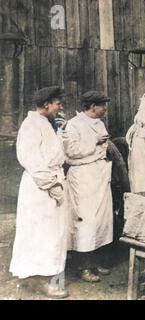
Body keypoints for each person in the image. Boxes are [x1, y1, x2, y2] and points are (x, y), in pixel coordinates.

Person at [9, 86, 69, 298]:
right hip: (39, 187)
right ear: (46, 104)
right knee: (39, 233)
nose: (60, 107)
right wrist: (51, 186)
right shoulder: (31, 125)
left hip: (52, 183)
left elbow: (55, 152)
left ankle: (47, 275)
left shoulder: (47, 123)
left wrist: (61, 134)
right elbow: (33, 161)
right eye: (57, 103)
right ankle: (36, 279)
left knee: (53, 232)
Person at [64, 91, 113, 283]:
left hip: (99, 175)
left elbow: (103, 149)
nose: (105, 109)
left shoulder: (99, 123)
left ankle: (96, 261)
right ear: (93, 106)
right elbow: (71, 151)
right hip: (83, 176)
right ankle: (83, 266)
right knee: (86, 222)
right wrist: (94, 141)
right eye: (103, 106)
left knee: (102, 221)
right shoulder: (73, 125)